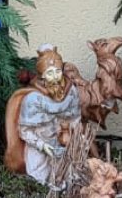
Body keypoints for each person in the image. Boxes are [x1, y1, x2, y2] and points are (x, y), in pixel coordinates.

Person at [4, 44, 81, 185]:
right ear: (42, 76)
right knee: (41, 179)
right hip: (39, 147)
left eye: (58, 71)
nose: (55, 77)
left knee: (70, 177)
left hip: (64, 144)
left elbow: (76, 119)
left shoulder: (71, 92)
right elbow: (25, 131)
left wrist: (70, 135)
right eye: (50, 73)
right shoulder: (33, 99)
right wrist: (43, 146)